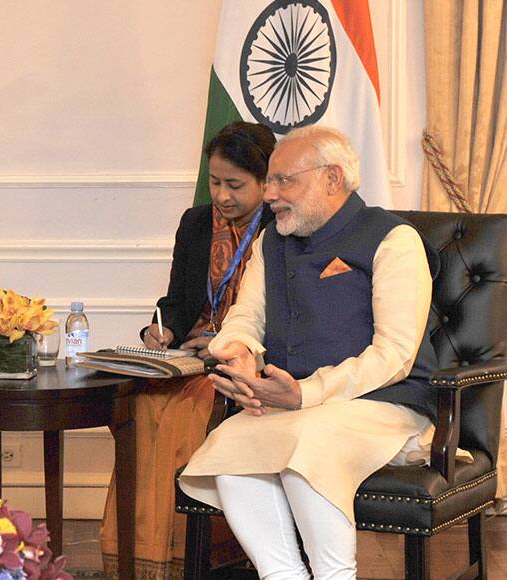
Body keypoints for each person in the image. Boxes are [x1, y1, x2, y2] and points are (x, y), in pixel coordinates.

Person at [179, 125, 439, 580]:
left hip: (388, 407)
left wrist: (307, 393)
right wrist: (237, 351)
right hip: (296, 406)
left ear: (332, 180)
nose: (270, 194)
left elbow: (395, 353)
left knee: (309, 443)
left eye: (284, 181)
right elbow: (246, 316)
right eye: (270, 181)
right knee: (232, 443)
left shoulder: (394, 240)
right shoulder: (271, 242)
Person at [100, 122, 276, 578]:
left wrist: (222, 343)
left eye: (234, 185)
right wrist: (159, 331)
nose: (221, 196)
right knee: (137, 400)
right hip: (186, 356)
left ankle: (182, 553)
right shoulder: (195, 223)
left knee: (178, 409)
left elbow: (285, 317)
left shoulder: (283, 226)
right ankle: (138, 554)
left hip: (245, 359)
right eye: (215, 182)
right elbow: (175, 303)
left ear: (265, 180)